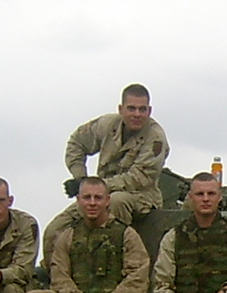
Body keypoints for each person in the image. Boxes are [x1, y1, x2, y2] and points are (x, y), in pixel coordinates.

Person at [43, 84, 169, 258]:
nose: (137, 114)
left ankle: (113, 262)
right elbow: (76, 143)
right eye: (131, 108)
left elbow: (137, 179)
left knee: (117, 202)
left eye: (142, 109)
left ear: (150, 111)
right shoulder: (108, 124)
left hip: (139, 196)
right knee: (55, 229)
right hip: (100, 195)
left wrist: (92, 188)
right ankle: (57, 277)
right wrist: (81, 178)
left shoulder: (155, 138)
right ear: (121, 109)